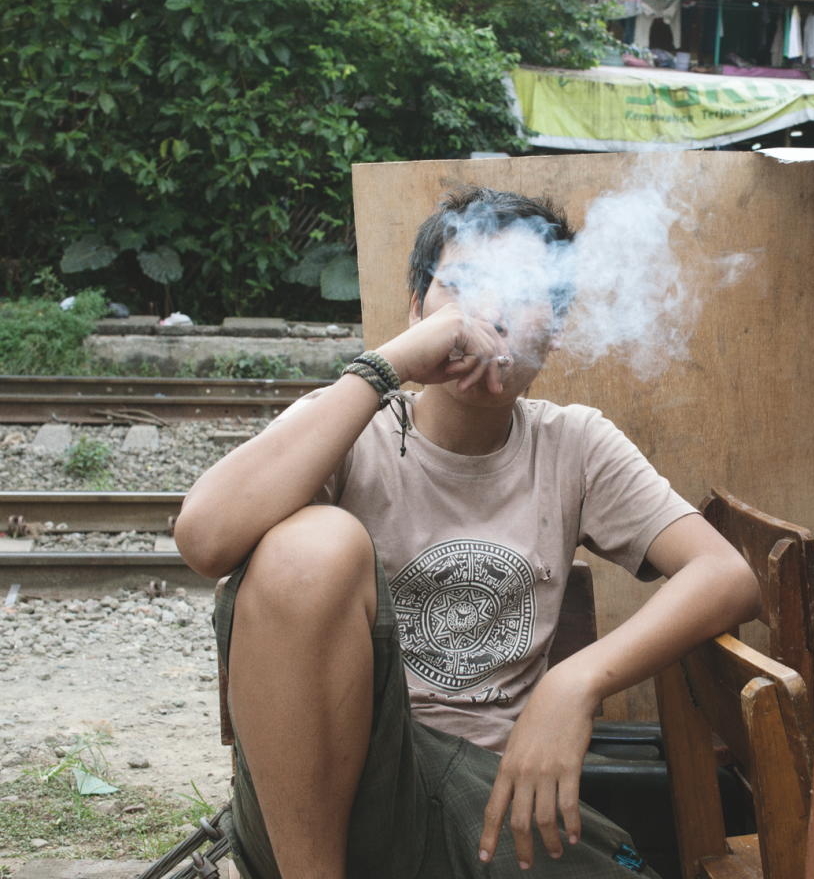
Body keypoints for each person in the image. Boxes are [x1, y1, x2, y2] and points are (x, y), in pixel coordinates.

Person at [175, 186, 761, 879]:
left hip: (484, 803)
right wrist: (386, 366)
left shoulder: (573, 445)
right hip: (318, 814)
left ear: (559, 326)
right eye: (464, 287)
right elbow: (204, 538)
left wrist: (573, 684)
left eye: (525, 290)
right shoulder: (350, 425)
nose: (492, 312)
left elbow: (726, 575)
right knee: (311, 547)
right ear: (416, 309)